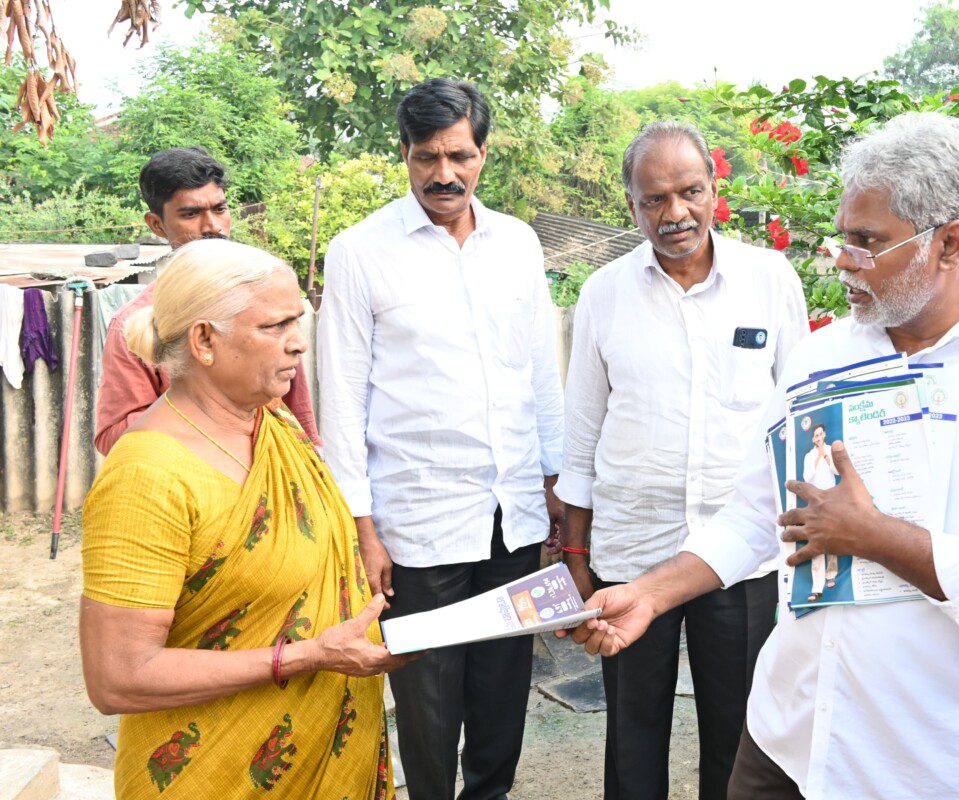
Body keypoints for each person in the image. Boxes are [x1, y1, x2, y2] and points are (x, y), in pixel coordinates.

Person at [563, 112, 959, 800]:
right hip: (785, 742)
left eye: (865, 241)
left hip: (924, 766)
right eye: (841, 236)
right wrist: (646, 594)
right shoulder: (823, 356)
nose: (839, 258)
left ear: (950, 244)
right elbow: (757, 516)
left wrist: (878, 538)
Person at [79, 239, 417, 799]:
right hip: (213, 772)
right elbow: (118, 677)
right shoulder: (148, 477)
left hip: (325, 751)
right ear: (205, 340)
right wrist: (311, 655)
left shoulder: (274, 424)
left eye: (298, 321)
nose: (299, 343)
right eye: (275, 326)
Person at [317, 78, 564, 800]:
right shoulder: (361, 251)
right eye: (427, 157)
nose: (444, 174)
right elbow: (344, 401)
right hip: (418, 521)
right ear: (404, 154)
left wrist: (552, 487)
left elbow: (540, 376)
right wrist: (364, 529)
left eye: (459, 155)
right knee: (427, 705)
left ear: (483, 153)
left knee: (502, 697)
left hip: (511, 516)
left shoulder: (517, 244)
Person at [555, 120, 809, 800]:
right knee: (633, 734)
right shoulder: (603, 294)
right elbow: (580, 438)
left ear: (713, 189)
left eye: (690, 192)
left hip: (743, 556)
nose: (675, 214)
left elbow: (799, 416)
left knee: (739, 731)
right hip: (631, 552)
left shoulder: (770, 278)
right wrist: (577, 562)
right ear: (631, 206)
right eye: (654, 200)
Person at [94, 147, 319, 455]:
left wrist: (311, 460)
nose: (212, 226)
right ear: (157, 225)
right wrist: (204, 399)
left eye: (219, 209)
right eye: (191, 214)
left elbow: (296, 410)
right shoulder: (137, 321)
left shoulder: (267, 299)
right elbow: (114, 437)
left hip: (273, 477)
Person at [801, 424, 839, 601]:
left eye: (820, 434)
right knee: (816, 541)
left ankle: (831, 575)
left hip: (831, 500)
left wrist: (826, 456)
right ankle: (817, 587)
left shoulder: (831, 450)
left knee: (831, 539)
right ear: (812, 439)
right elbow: (807, 478)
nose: (818, 437)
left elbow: (837, 472)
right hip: (815, 502)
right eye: (815, 435)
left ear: (824, 434)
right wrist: (816, 459)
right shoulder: (809, 456)